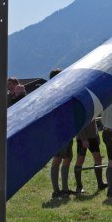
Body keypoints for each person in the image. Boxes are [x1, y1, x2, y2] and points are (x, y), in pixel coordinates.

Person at [48, 68, 77, 198]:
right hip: (59, 131)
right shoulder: (53, 92)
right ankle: (56, 190)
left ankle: (64, 188)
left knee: (67, 158)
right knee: (58, 159)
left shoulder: (61, 90)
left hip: (66, 129)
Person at [74, 117, 107, 193]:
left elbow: (93, 121)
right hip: (82, 138)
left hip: (92, 137)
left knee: (98, 159)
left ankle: (100, 184)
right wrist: (83, 139)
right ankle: (79, 187)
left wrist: (96, 135)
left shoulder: (93, 107)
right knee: (80, 160)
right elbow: (78, 123)